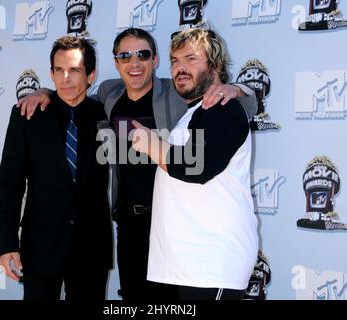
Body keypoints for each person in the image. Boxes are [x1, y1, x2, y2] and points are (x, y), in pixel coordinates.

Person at [17, 28, 257, 301]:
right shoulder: (109, 95)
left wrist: (236, 89)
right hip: (132, 224)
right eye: (124, 55)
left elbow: (238, 110)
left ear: (154, 60)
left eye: (142, 54)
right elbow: (73, 93)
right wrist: (46, 91)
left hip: (180, 234)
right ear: (116, 62)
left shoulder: (179, 92)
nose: (134, 62)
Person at [132, 28, 259, 300]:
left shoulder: (223, 106)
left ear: (216, 66)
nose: (180, 68)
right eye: (175, 61)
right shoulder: (193, 112)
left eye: (191, 59)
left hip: (213, 264)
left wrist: (152, 144)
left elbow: (196, 166)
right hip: (191, 266)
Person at [0, 36, 112, 301]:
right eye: (59, 70)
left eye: (74, 70)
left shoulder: (106, 114)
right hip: (40, 246)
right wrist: (7, 243)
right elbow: (10, 183)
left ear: (91, 75)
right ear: (50, 73)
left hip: (91, 247)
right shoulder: (26, 115)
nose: (65, 78)